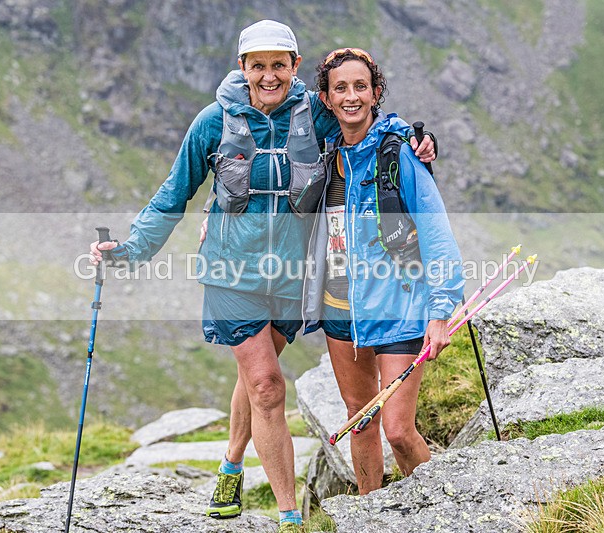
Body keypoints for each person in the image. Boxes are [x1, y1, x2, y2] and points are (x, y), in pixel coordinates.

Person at [89, 21, 437, 532]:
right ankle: (289, 517)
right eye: (258, 65)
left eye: (279, 64)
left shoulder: (315, 114)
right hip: (231, 273)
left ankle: (231, 461)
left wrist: (416, 137)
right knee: (267, 386)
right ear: (242, 68)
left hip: (291, 277)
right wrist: (130, 250)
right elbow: (173, 193)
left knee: (257, 374)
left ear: (295, 67)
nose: (269, 75)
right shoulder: (213, 122)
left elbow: (362, 115)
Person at [302, 47, 464, 495]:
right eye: (341, 88)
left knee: (397, 429)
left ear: (375, 94)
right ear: (327, 99)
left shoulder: (402, 155)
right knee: (361, 420)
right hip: (341, 312)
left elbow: (436, 234)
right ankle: (371, 514)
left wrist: (440, 311)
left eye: (360, 86)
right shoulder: (325, 157)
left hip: (399, 306)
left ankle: (438, 511)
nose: (351, 96)